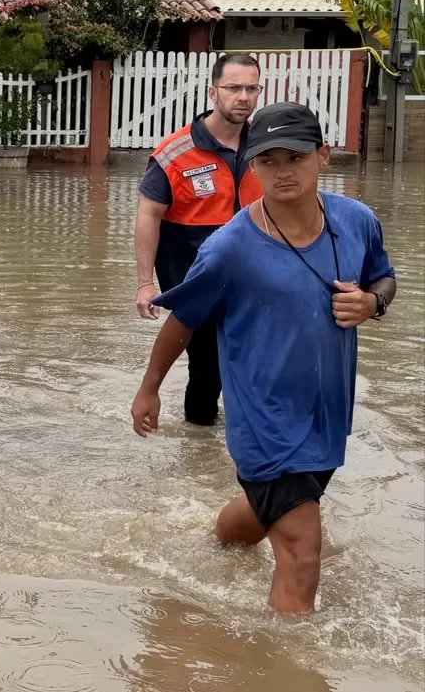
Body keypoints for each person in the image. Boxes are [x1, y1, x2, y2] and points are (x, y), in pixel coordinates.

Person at [130, 102, 396, 614]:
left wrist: (372, 302)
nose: (281, 171)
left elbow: (385, 277)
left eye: (293, 157)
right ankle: (284, 676)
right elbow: (183, 317)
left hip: (326, 414)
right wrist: (150, 387)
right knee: (302, 550)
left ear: (324, 156)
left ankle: (207, 547)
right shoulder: (231, 247)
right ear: (252, 167)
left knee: (269, 512)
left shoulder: (357, 221)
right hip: (264, 421)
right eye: (266, 161)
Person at [134, 52, 263, 425]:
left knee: (258, 369)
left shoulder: (266, 149)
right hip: (199, 287)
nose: (243, 96)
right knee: (207, 372)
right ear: (212, 92)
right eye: (234, 88)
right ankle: (200, 446)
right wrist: (145, 284)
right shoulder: (174, 154)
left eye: (251, 88)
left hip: (256, 284)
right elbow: (148, 216)